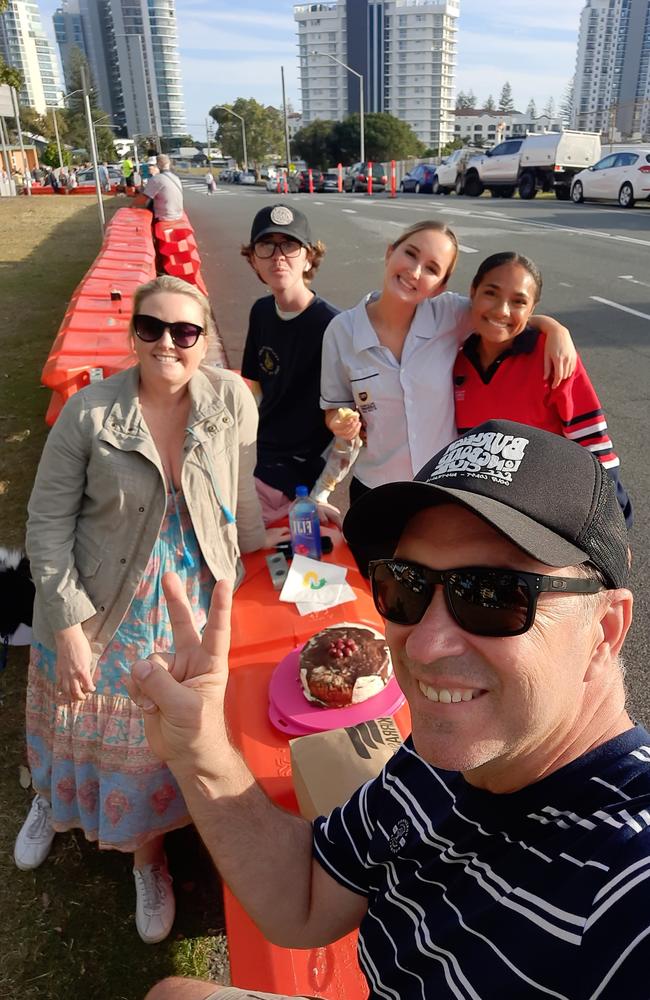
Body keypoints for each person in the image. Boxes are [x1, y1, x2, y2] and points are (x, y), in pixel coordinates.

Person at [131, 418, 648, 1000]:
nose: (425, 645)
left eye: (492, 597)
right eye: (405, 586)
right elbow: (304, 898)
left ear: (604, 631)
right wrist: (200, 750)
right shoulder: (441, 758)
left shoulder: (626, 875)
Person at [14, 275, 285, 945]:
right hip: (96, 599)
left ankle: (148, 858)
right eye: (153, 328)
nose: (169, 343)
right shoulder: (90, 412)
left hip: (184, 601)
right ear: (134, 333)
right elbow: (45, 525)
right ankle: (51, 799)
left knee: (151, 739)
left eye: (185, 331)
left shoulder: (228, 401)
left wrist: (261, 555)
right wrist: (70, 629)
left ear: (203, 341)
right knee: (70, 722)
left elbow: (239, 491)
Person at [319, 220, 576, 570]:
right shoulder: (342, 331)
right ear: (390, 251)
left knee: (435, 597)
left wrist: (555, 329)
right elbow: (334, 406)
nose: (415, 271)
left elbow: (502, 314)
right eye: (410, 253)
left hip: (442, 493)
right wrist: (340, 422)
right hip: (377, 490)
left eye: (432, 269)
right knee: (378, 592)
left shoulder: (450, 314)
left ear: (440, 286)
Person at [453, 251, 633, 525]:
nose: (502, 310)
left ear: (532, 309)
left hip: (549, 514)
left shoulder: (552, 357)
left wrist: (614, 525)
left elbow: (594, 444)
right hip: (484, 512)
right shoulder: (456, 359)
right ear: (473, 291)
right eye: (491, 293)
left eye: (518, 302)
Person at [240, 204, 340, 525]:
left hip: (299, 463)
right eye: (266, 245)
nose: (278, 255)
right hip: (260, 449)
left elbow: (349, 426)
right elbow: (256, 389)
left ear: (309, 257)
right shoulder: (261, 312)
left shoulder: (333, 326)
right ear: (253, 258)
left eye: (290, 245)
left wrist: (321, 491)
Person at [134, 153, 184, 222]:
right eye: (149, 165)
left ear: (157, 166)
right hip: (178, 214)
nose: (149, 167)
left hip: (165, 217)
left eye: (152, 165)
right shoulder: (176, 178)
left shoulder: (156, 179)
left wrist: (130, 207)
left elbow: (142, 199)